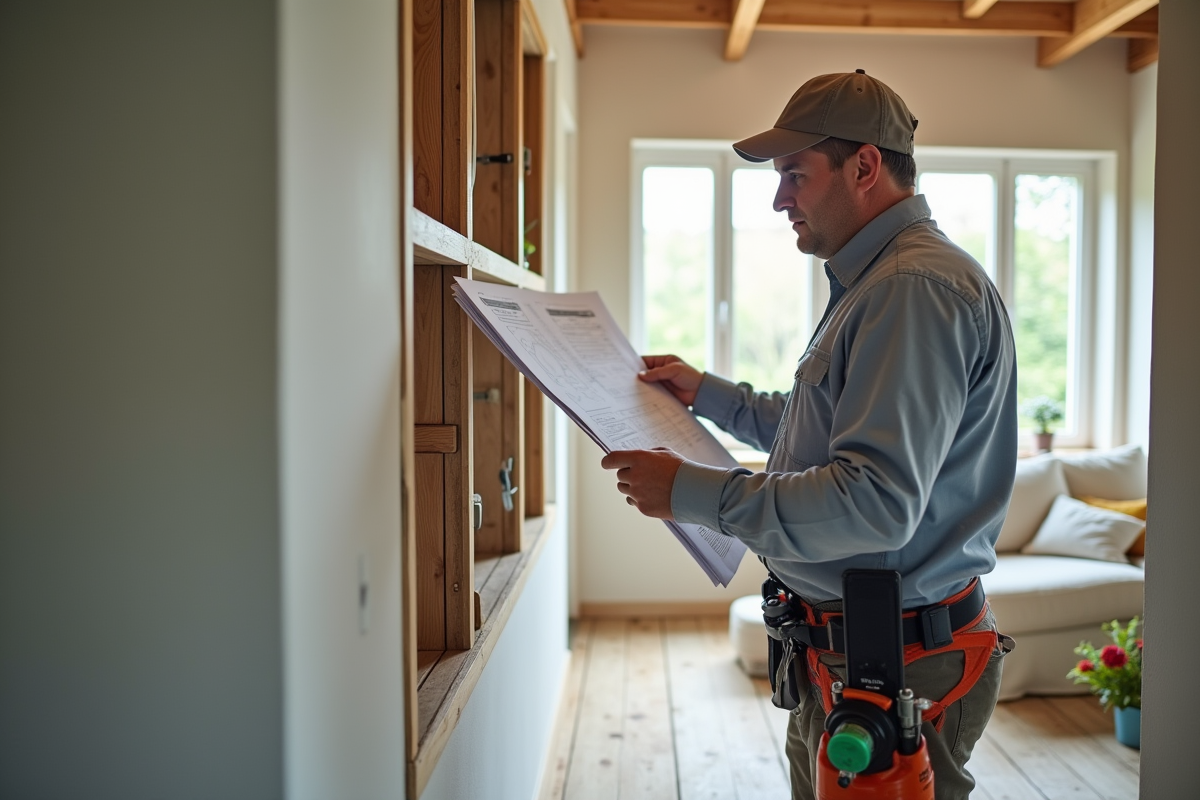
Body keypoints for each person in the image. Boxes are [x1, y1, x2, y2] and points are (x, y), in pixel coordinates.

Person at [601, 70, 1017, 800]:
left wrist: (693, 492)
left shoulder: (910, 291)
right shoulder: (875, 282)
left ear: (864, 166)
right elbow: (823, 437)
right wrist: (712, 397)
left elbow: (874, 502)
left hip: (900, 667)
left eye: (795, 173)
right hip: (852, 657)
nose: (778, 197)